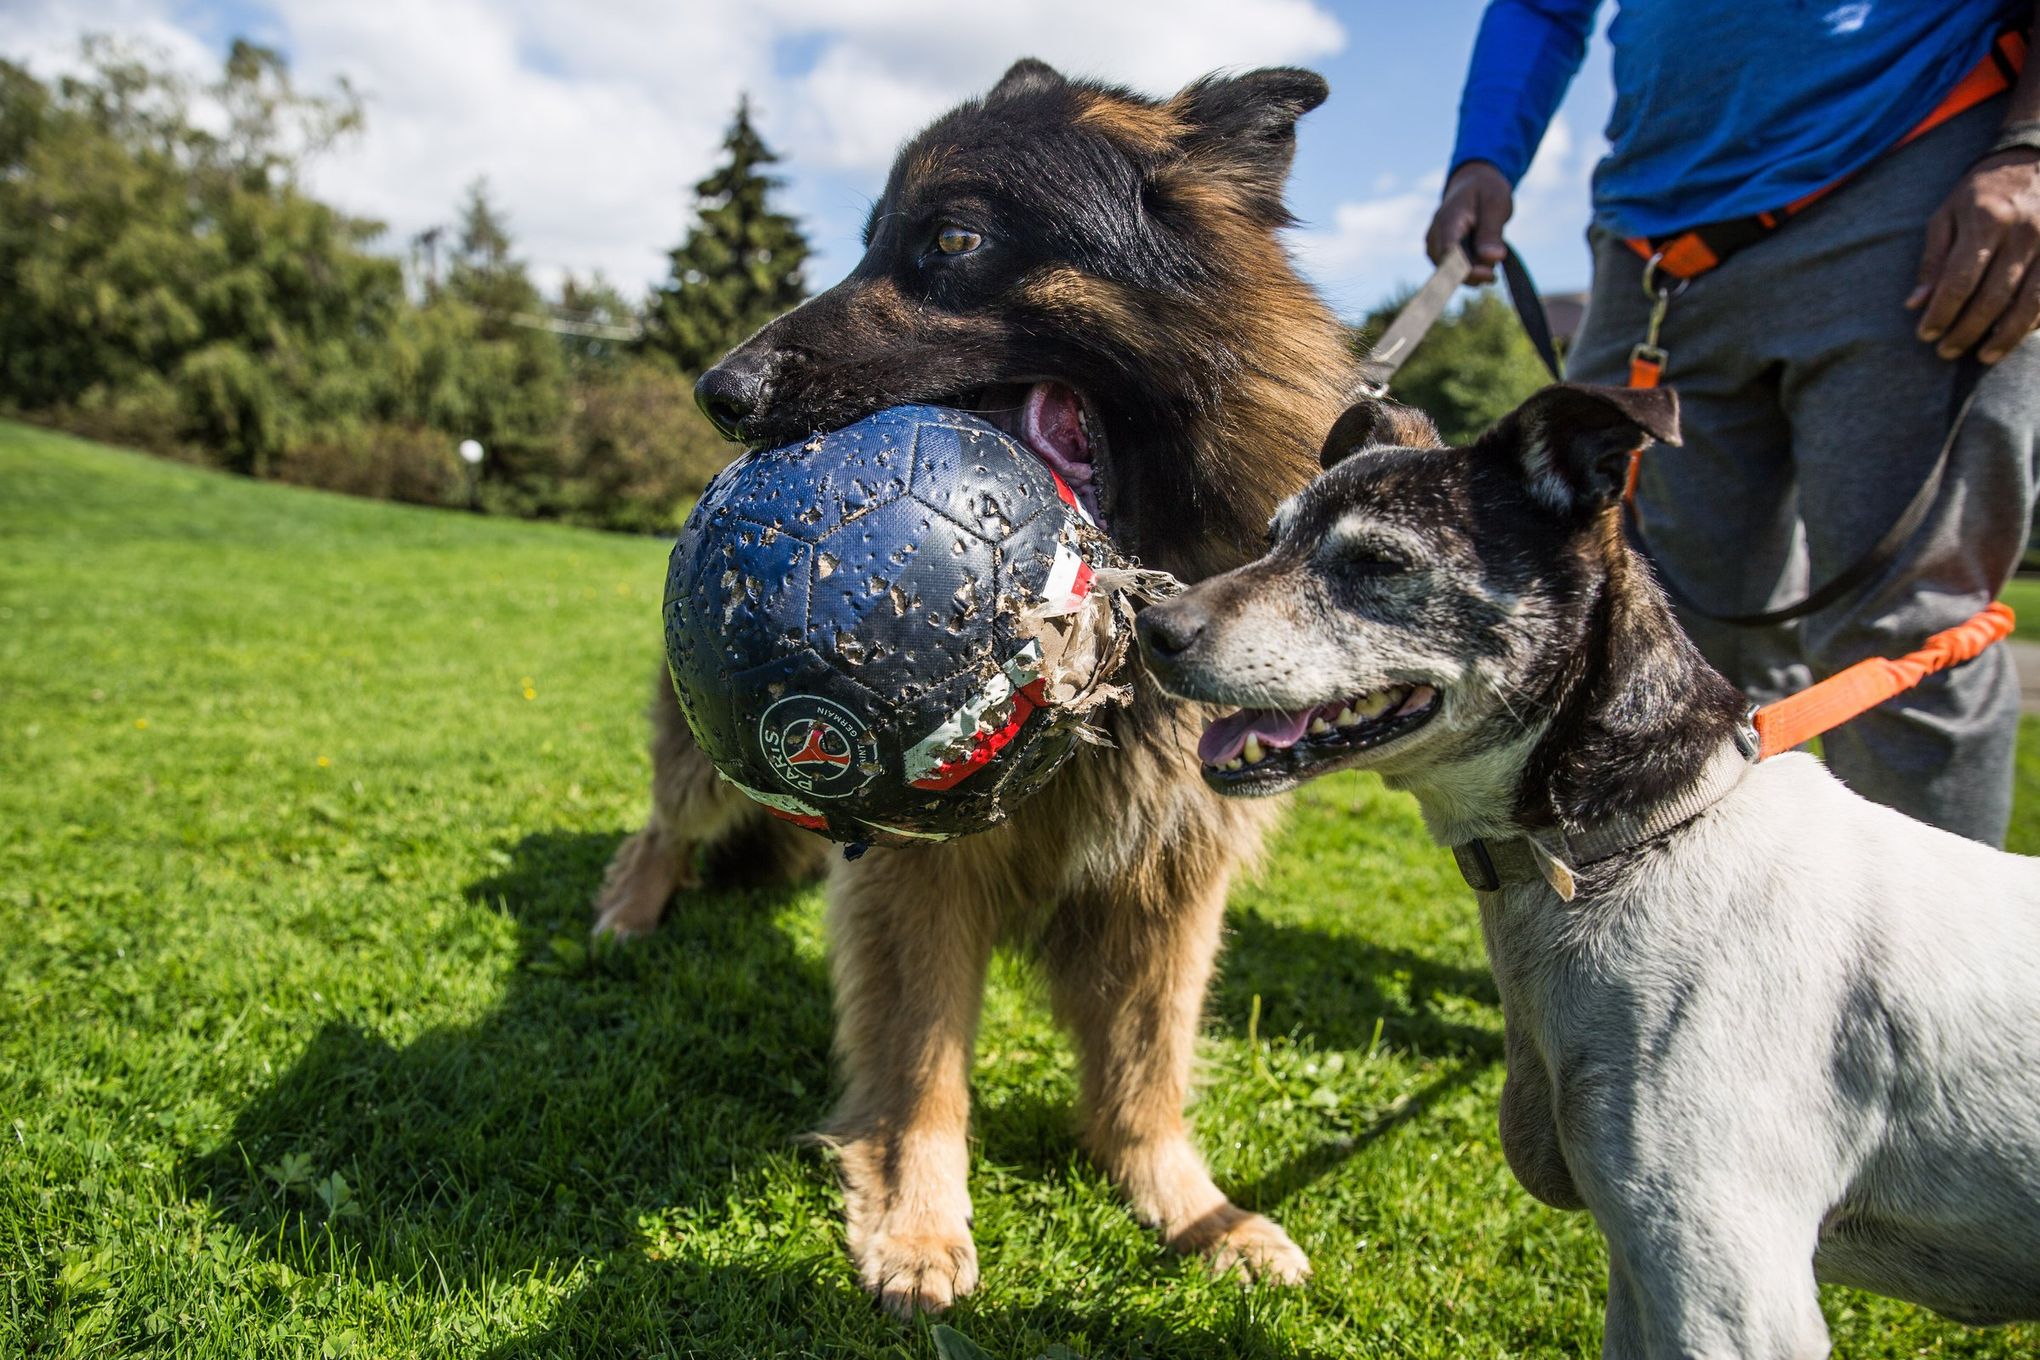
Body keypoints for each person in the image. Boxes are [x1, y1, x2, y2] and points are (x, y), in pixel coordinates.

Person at [1426, 1, 2040, 846]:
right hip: (1653, 243)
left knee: (1900, 639)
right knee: (1657, 628)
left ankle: (1928, 974)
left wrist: (2031, 147)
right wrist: (1485, 153)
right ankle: (1682, 957)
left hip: (1917, 171)